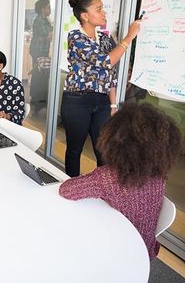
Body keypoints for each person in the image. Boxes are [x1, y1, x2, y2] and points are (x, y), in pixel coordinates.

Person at [59, 103, 183, 260]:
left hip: (116, 255)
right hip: (145, 251)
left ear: (114, 142)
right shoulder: (159, 177)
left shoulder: (107, 177)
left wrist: (94, 175)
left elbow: (66, 190)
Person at [61, 0, 141, 177]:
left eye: (103, 9)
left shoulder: (105, 38)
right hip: (77, 100)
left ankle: (103, 188)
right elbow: (106, 61)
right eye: (99, 9)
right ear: (85, 16)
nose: (104, 13)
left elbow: (109, 73)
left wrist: (113, 104)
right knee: (75, 148)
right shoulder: (76, 38)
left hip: (102, 101)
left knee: (103, 150)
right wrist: (129, 37)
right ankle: (71, 185)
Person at [29, 0, 53, 114]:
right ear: (42, 9)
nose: (50, 9)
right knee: (38, 74)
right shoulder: (40, 20)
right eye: (48, 7)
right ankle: (36, 100)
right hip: (38, 51)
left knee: (40, 74)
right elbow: (48, 35)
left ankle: (38, 100)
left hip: (42, 50)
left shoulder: (45, 20)